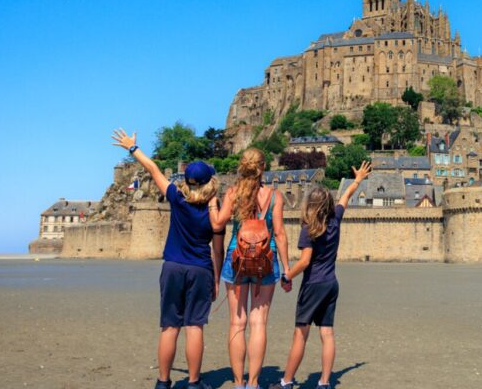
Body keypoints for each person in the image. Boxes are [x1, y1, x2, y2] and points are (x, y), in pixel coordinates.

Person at [111, 129, 225, 389]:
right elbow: (217, 250)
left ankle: (163, 383)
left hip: (173, 267)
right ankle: (194, 383)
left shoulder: (176, 197)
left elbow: (153, 169)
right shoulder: (214, 212)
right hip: (201, 270)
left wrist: (132, 147)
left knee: (169, 327)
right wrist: (217, 280)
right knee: (195, 327)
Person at [270, 161, 372, 389]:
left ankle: (286, 382)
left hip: (313, 285)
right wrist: (358, 180)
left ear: (310, 205)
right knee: (327, 334)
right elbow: (346, 197)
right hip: (331, 284)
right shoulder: (335, 218)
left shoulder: (309, 229)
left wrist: (286, 276)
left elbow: (305, 261)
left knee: (300, 335)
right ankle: (324, 382)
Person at [211, 148, 290, 389]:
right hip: (266, 261)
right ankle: (254, 383)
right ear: (263, 167)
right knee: (258, 324)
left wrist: (211, 204)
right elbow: (279, 233)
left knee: (237, 323)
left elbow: (217, 223)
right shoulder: (275, 196)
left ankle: (238, 383)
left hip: (236, 260)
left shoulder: (233, 193)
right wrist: (286, 269)